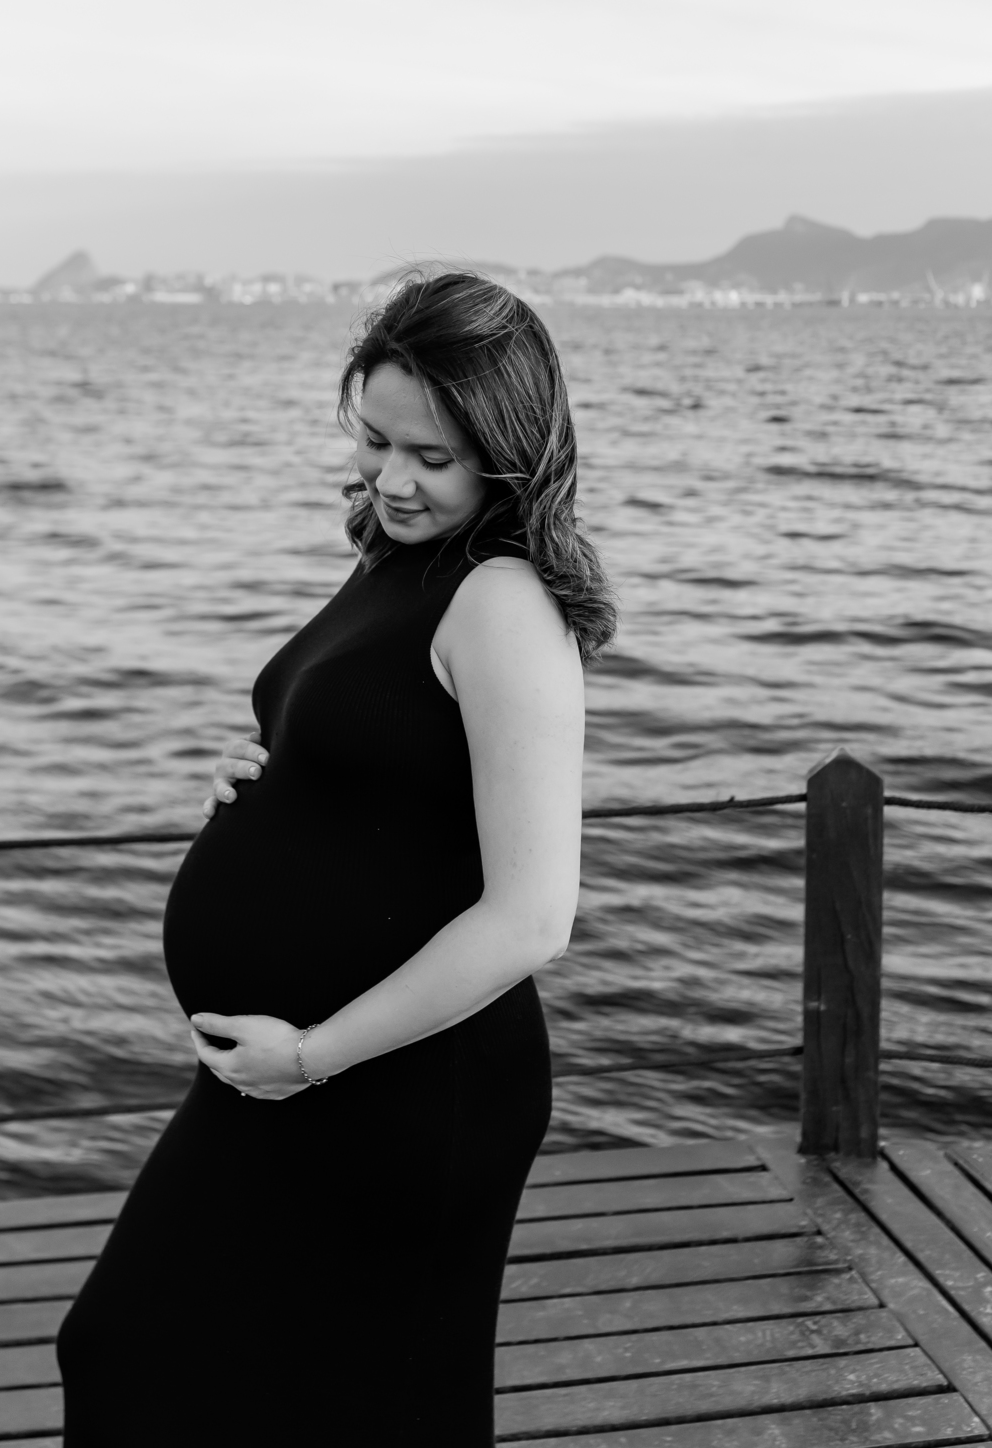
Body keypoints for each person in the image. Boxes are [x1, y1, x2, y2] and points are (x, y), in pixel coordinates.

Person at [57, 270, 616, 1446]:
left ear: (510, 456)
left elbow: (532, 916)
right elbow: (391, 753)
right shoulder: (398, 557)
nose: (394, 477)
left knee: (351, 1401)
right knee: (158, 1362)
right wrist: (271, 772)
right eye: (375, 438)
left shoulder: (504, 599)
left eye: (434, 455)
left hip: (403, 1085)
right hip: (298, 1076)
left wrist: (311, 1055)